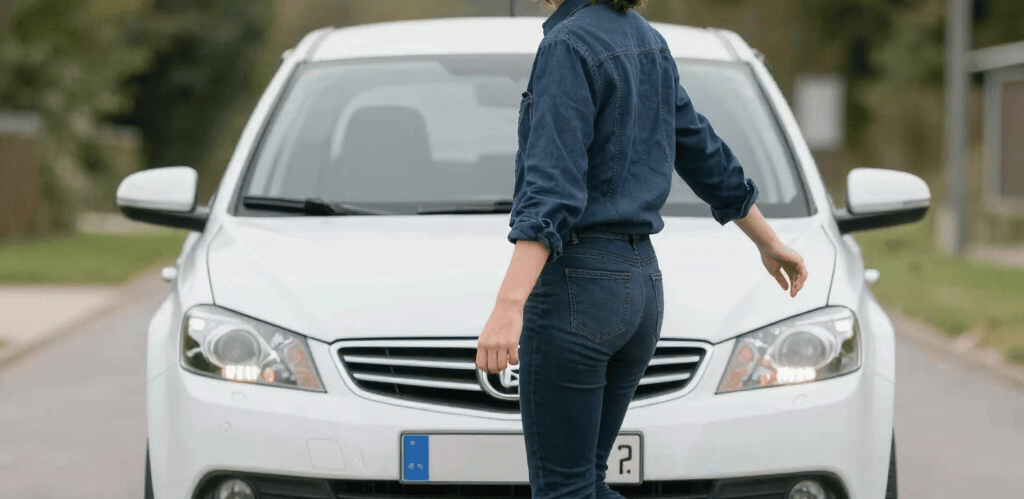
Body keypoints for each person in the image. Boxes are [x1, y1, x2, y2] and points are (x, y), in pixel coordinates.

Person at [475, 0, 809, 498]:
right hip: (640, 287)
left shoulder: (565, 46)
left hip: (578, 286)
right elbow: (700, 149)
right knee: (585, 484)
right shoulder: (648, 40)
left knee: (565, 490)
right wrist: (768, 239)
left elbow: (553, 190)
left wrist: (508, 304)